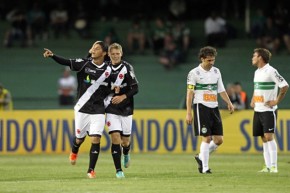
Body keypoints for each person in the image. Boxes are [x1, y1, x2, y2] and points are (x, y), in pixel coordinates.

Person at [43, 41, 111, 179]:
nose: (93, 50)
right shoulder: (84, 63)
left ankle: (91, 170)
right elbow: (66, 62)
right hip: (82, 107)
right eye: (93, 47)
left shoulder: (109, 69)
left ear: (104, 53)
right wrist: (52, 56)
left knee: (96, 138)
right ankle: (74, 150)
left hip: (98, 108)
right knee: (80, 138)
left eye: (97, 48)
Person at [185, 46, 234, 174]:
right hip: (201, 106)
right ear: (202, 59)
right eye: (209, 60)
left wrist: (229, 102)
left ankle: (201, 156)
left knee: (219, 140)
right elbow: (190, 93)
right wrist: (189, 112)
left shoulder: (216, 72)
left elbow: (221, 89)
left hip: (214, 106)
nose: (212, 63)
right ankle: (205, 168)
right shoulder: (194, 73)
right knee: (206, 137)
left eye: (213, 60)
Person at [250, 48, 288, 173]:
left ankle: (274, 166)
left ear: (260, 57)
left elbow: (284, 86)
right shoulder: (257, 72)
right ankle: (267, 166)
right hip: (258, 109)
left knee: (269, 136)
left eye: (254, 55)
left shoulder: (271, 71)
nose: (252, 58)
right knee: (263, 137)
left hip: (268, 110)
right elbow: (257, 87)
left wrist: (276, 101)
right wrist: (253, 99)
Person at [105, 43, 139, 178]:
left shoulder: (127, 67)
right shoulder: (105, 68)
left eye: (117, 53)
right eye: (112, 54)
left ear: (121, 53)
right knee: (115, 138)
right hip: (111, 108)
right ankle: (118, 170)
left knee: (125, 141)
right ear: (109, 54)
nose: (115, 56)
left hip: (126, 107)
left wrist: (122, 96)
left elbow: (136, 88)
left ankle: (126, 152)